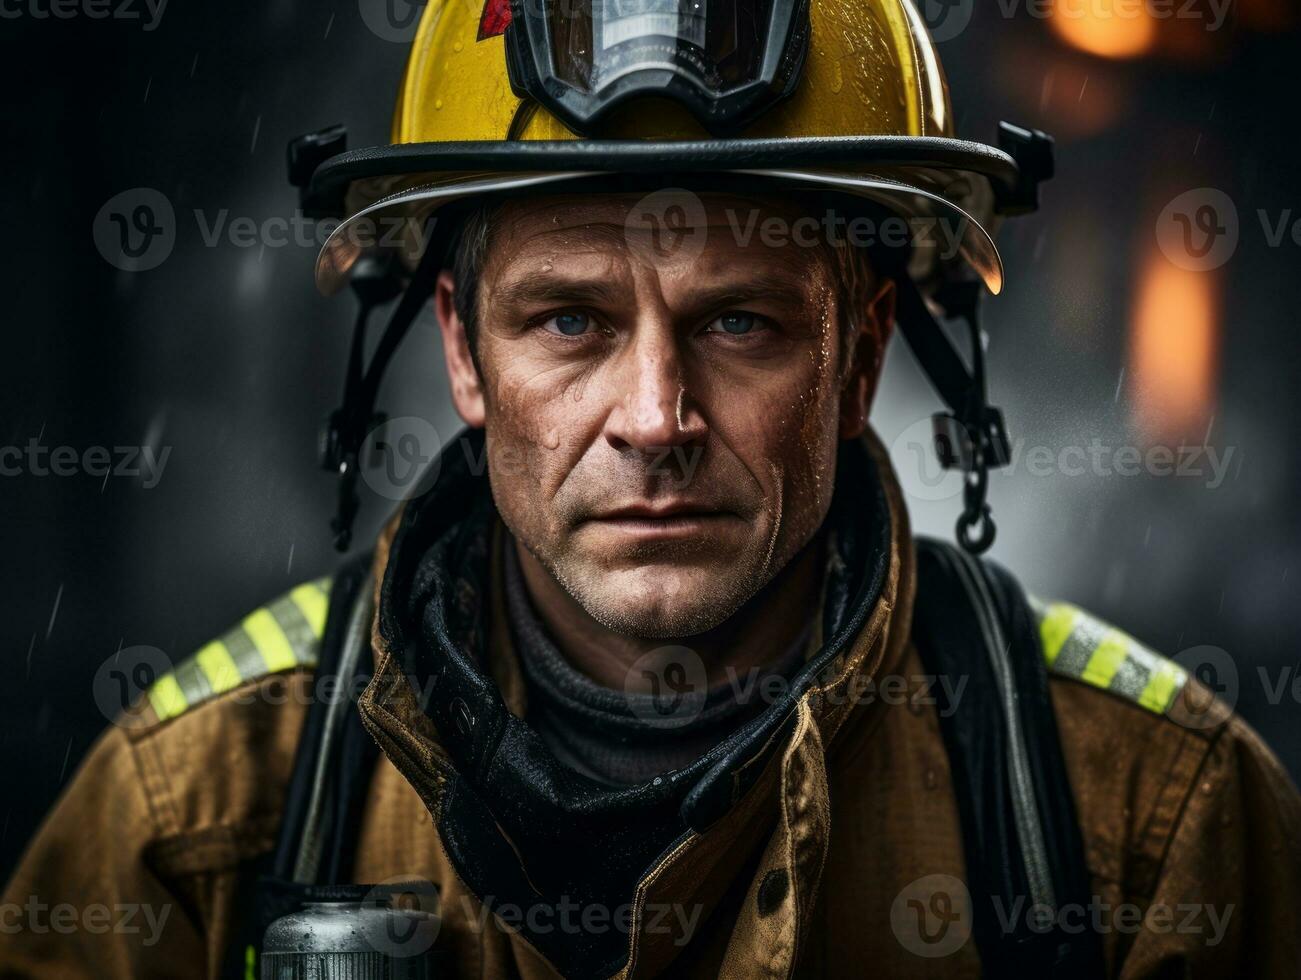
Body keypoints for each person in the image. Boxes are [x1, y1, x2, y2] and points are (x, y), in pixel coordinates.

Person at [4, 1, 1298, 977]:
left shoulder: (1153, 823)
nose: (654, 421)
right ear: (461, 349)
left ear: (859, 357)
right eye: (567, 322)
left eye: (737, 323)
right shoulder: (189, 821)